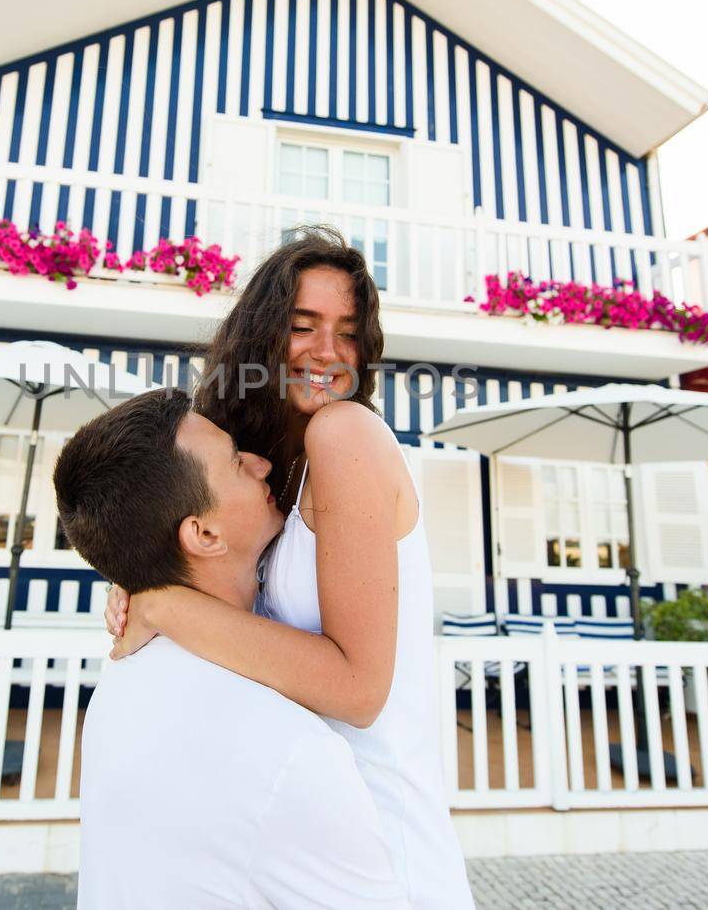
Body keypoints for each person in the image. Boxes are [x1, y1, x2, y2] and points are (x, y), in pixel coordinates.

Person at [106, 228, 474, 909]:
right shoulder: (271, 475)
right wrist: (141, 582)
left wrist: (168, 608)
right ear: (262, 337)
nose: (329, 354)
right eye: (303, 327)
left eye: (349, 332)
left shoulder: (347, 436)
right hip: (285, 843)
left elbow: (359, 691)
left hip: (381, 853)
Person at [54, 387, 409, 910]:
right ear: (203, 534)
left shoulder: (119, 687)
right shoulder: (289, 754)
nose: (263, 464)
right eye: (236, 462)